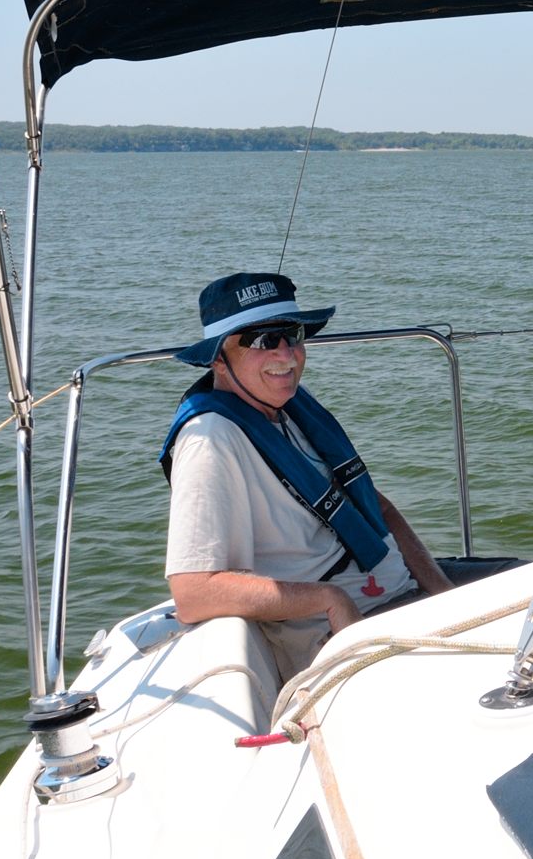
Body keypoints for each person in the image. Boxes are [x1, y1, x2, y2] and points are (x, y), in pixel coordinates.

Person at [160, 272, 451, 675]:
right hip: (343, 628)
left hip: (405, 590)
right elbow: (194, 592)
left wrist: (446, 594)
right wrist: (330, 599)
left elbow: (378, 509)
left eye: (292, 335)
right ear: (218, 359)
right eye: (262, 340)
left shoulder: (287, 407)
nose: (287, 355)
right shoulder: (210, 440)